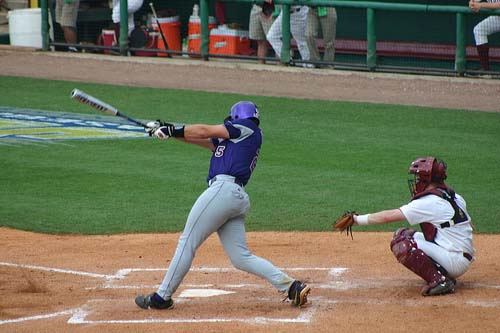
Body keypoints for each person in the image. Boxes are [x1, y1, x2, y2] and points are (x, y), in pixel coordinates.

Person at [135, 101, 311, 310]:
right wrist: (166, 130)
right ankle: (292, 286)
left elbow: (203, 130)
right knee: (241, 257)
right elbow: (198, 137)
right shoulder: (235, 140)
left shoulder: (247, 128)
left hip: (223, 192)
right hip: (234, 198)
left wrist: (171, 129)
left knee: (187, 242)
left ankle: (161, 297)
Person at [348, 157, 475, 296]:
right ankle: (443, 273)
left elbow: (388, 216)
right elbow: (469, 224)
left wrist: (357, 220)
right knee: (403, 234)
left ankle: (440, 281)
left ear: (427, 179)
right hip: (457, 254)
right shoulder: (454, 196)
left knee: (402, 244)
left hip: (454, 260)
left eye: (419, 178)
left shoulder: (429, 202)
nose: (416, 182)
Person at [469, 0, 500, 71]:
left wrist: (481, 5)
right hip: (498, 18)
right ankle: (485, 69)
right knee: (479, 30)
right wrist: (472, 3)